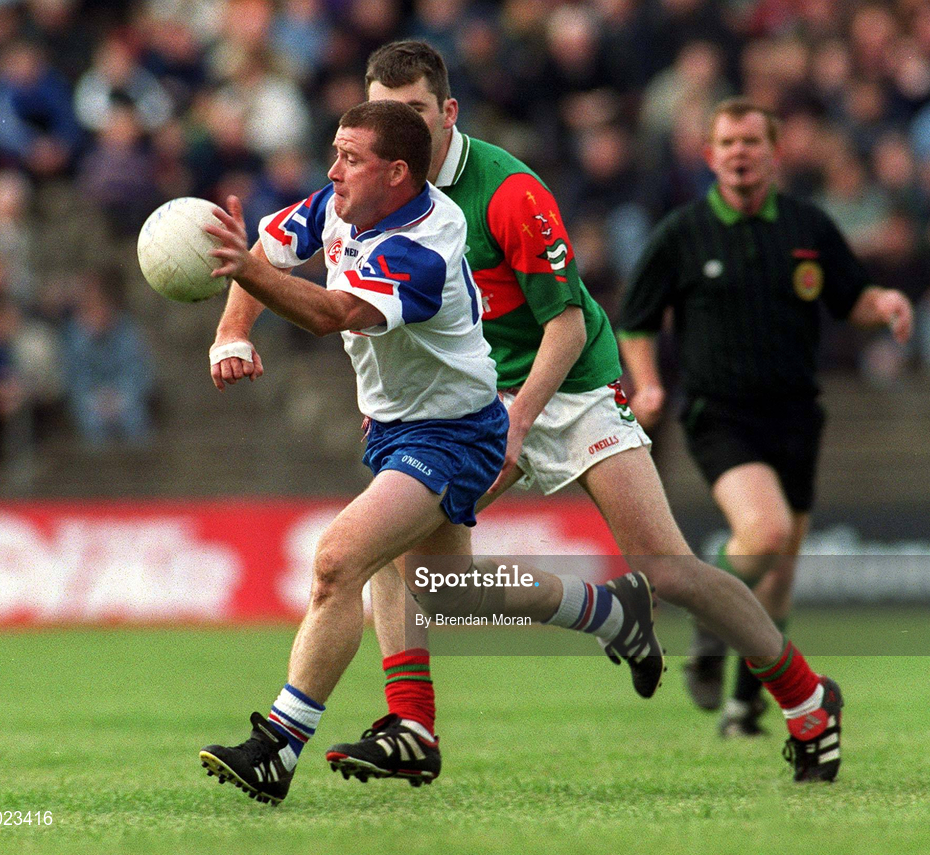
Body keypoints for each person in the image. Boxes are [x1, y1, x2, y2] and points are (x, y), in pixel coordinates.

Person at [324, 41, 845, 787]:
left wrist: (520, 418)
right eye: (384, 113)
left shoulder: (507, 189)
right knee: (403, 558)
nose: (400, 129)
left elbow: (565, 325)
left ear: (448, 112)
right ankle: (417, 722)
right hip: (468, 398)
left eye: (414, 113)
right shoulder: (370, 195)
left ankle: (806, 698)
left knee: (667, 570)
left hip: (569, 384)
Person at [197, 99, 664, 806]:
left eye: (350, 159)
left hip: (453, 434)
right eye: (335, 152)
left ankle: (281, 746)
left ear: (397, 173)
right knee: (451, 587)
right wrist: (232, 331)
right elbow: (265, 249)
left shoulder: (427, 241)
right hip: (397, 426)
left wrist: (244, 274)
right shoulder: (339, 203)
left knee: (337, 560)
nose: (333, 170)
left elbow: (333, 314)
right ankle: (609, 613)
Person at [618, 97, 913, 737]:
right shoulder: (683, 232)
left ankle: (742, 706)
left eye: (751, 142)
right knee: (767, 532)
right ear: (710, 155)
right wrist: (647, 385)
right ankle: (707, 623)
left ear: (774, 153)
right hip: (719, 411)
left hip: (797, 414)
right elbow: (635, 322)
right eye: (727, 143)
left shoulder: (808, 226)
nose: (739, 153)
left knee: (778, 579)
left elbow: (849, 298)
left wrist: (883, 300)